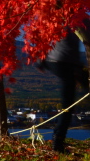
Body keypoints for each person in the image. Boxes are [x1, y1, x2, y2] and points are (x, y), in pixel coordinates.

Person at [39, 25, 90, 153]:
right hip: (66, 62)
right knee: (68, 103)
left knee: (70, 101)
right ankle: (58, 140)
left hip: (57, 61)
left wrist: (43, 60)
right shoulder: (78, 18)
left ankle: (58, 139)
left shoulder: (56, 17)